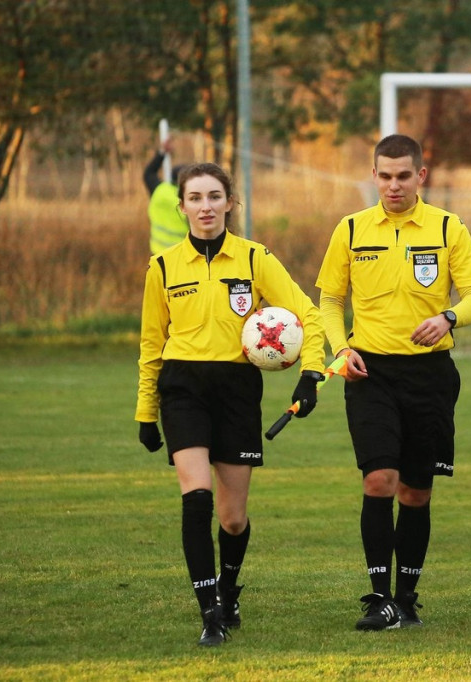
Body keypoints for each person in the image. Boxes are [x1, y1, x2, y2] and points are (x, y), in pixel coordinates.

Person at [135, 162, 327, 646]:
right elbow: (151, 345)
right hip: (183, 388)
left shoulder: (256, 258)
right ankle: (209, 615)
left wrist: (311, 372)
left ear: (230, 204)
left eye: (214, 197)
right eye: (195, 198)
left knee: (232, 517)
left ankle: (228, 589)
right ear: (181, 207)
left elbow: (308, 313)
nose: (205, 207)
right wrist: (145, 411)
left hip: (238, 390)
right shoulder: (161, 268)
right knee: (196, 498)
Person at [315, 134, 471, 631]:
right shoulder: (350, 230)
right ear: (373, 176)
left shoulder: (448, 228)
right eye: (385, 176)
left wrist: (449, 317)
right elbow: (329, 300)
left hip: (430, 375)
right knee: (378, 480)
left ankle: (407, 599)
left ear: (421, 177)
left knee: (415, 492)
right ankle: (378, 598)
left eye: (403, 176)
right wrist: (340, 349)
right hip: (370, 372)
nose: (393, 186)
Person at [144, 139, 190, 254]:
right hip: (180, 256)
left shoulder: (160, 190)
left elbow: (148, 173)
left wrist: (162, 153)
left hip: (156, 253)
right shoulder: (190, 199)